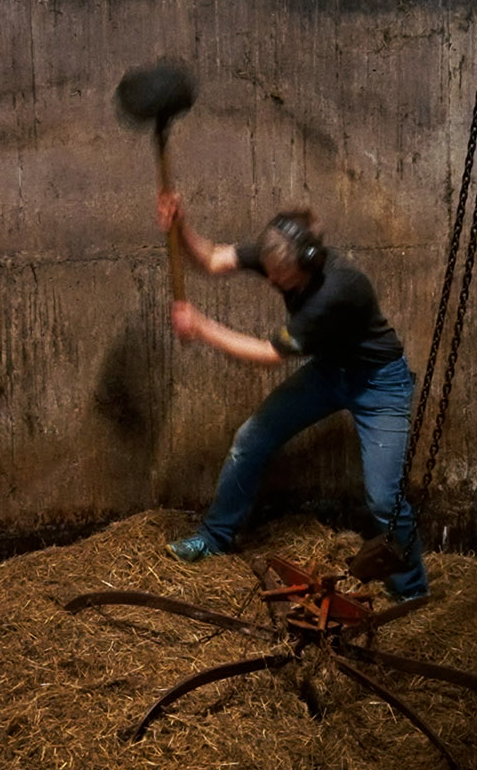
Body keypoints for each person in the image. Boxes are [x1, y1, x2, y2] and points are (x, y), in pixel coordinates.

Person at [153, 190, 429, 601]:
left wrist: (202, 327)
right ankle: (213, 537)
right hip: (330, 370)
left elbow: (268, 355)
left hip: (378, 383)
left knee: (385, 499)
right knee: (250, 440)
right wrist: (181, 227)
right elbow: (211, 259)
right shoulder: (277, 253)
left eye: (282, 277)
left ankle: (412, 592)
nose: (273, 282)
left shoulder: (338, 291)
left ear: (310, 263)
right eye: (269, 271)